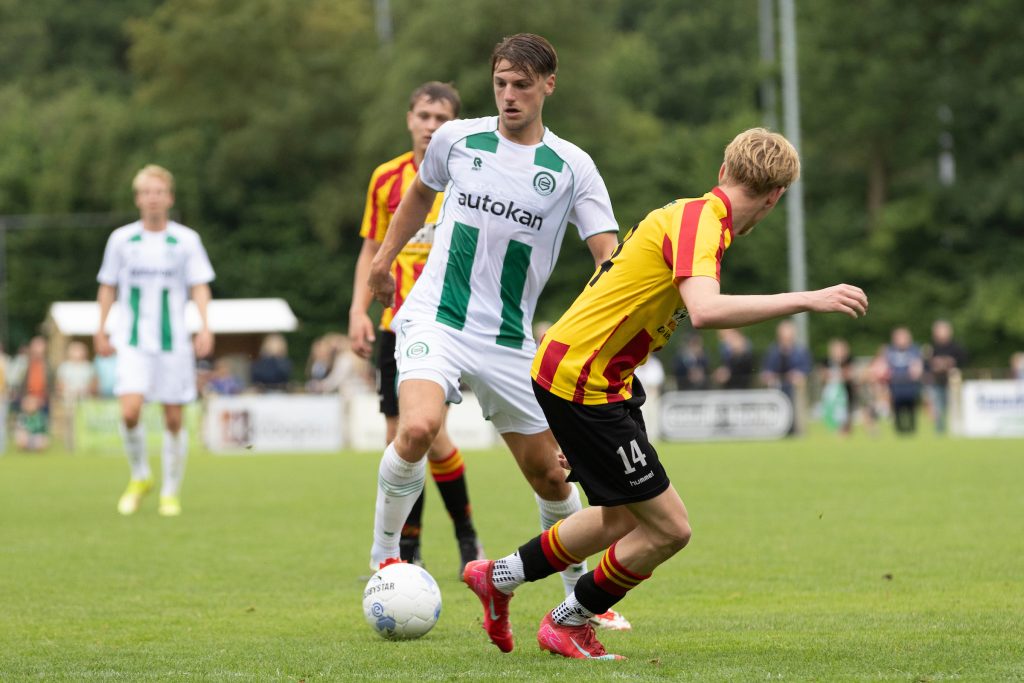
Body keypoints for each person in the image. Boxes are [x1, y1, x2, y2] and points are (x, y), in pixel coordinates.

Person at [462, 128, 868, 660]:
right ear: (775, 198)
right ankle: (568, 622)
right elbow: (706, 310)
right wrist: (807, 299)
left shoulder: (690, 214)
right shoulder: (703, 224)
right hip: (585, 379)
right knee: (671, 529)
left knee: (622, 518)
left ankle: (498, 576)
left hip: (591, 375)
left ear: (723, 170)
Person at [367, 34, 630, 630]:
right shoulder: (456, 140)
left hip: (510, 341)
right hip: (436, 316)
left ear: (548, 86)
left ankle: (579, 597)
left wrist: (599, 334)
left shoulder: (573, 167)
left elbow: (607, 258)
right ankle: (383, 556)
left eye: (522, 85)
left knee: (552, 475)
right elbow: (418, 195)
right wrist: (384, 261)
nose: (509, 96)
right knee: (417, 427)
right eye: (501, 83)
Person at [350, 82, 483, 572]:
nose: (430, 126)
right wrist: (357, 311)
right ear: (409, 119)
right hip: (394, 324)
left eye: (441, 118)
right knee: (403, 438)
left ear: (454, 124)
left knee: (426, 434)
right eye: (424, 116)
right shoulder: (386, 178)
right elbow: (371, 248)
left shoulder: (468, 175)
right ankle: (412, 550)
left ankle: (463, 537)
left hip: (447, 325)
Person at [95, 164, 215, 517]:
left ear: (170, 198)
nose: (153, 198)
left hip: (173, 342)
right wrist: (100, 328)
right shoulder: (121, 240)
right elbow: (107, 286)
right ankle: (140, 475)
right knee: (129, 411)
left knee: (174, 419)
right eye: (147, 192)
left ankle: (170, 492)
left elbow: (199, 285)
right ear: (137, 199)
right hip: (132, 341)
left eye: (159, 192)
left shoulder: (186, 240)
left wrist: (205, 326)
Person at [760, 319, 812, 433]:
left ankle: (798, 430)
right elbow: (766, 370)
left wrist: (798, 375)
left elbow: (806, 369)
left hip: (795, 388)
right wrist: (769, 375)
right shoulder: (772, 351)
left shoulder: (800, 351)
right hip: (777, 387)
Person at [924, 319, 966, 434]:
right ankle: (940, 430)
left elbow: (963, 360)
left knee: (954, 406)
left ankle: (956, 428)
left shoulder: (956, 347)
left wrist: (950, 362)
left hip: (952, 383)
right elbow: (925, 364)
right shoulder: (931, 348)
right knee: (937, 407)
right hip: (936, 382)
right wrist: (935, 364)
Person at [885, 327, 923, 435]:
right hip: (896, 385)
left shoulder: (914, 350)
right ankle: (899, 430)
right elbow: (885, 366)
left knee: (911, 408)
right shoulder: (890, 351)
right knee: (897, 408)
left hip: (910, 385)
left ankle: (912, 429)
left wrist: (916, 372)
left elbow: (917, 366)